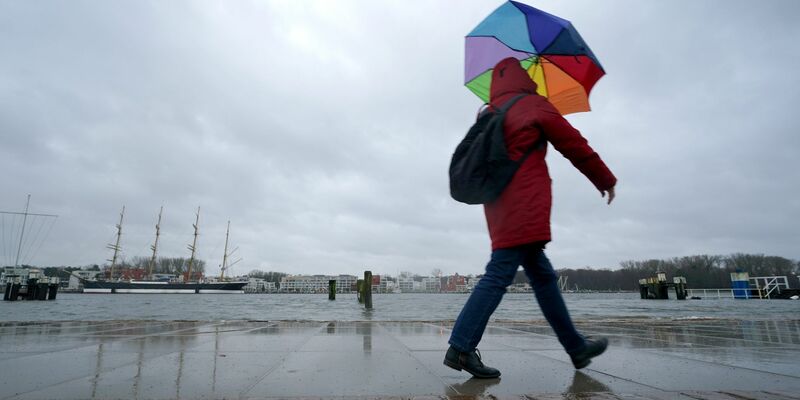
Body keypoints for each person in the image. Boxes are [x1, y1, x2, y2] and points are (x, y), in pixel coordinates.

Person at [444, 57, 617, 379]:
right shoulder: (534, 105)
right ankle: (461, 347)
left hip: (497, 204)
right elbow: (574, 144)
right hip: (525, 204)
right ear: (526, 77)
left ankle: (576, 348)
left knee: (541, 275)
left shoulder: (488, 111)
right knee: (499, 274)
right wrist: (605, 179)